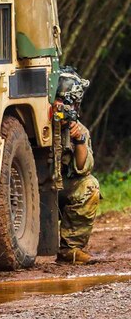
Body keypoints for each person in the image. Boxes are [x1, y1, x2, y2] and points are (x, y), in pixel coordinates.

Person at [55, 69, 101, 264]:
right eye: (60, 101)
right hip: (27, 191)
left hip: (58, 188)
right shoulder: (31, 119)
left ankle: (70, 249)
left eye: (69, 103)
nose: (64, 107)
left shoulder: (78, 128)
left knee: (89, 186)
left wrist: (79, 140)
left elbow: (84, 168)